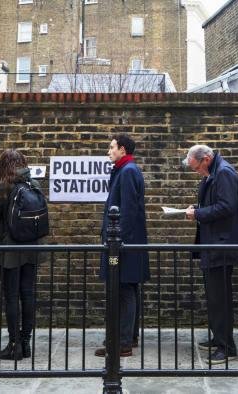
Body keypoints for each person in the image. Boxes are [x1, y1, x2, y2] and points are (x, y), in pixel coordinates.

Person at [184, 144, 238, 364]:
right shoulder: (214, 172)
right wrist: (198, 207)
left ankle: (226, 347)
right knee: (215, 296)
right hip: (214, 243)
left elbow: (227, 206)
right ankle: (219, 338)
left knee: (220, 297)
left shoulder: (223, 172)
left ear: (206, 159)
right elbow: (216, 203)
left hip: (222, 245)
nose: (196, 172)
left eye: (196, 168)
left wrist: (197, 213)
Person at [94, 134, 150, 358]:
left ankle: (123, 343)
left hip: (124, 244)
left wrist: (115, 243)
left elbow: (126, 211)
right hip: (129, 242)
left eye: (111, 147)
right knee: (129, 289)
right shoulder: (126, 170)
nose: (109, 151)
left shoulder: (127, 172)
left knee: (124, 290)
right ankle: (128, 336)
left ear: (123, 150)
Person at [0, 149, 43, 360]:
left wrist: (2, 235)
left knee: (11, 297)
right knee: (27, 294)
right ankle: (26, 343)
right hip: (32, 248)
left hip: (9, 249)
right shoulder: (34, 184)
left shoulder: (3, 186)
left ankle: (14, 345)